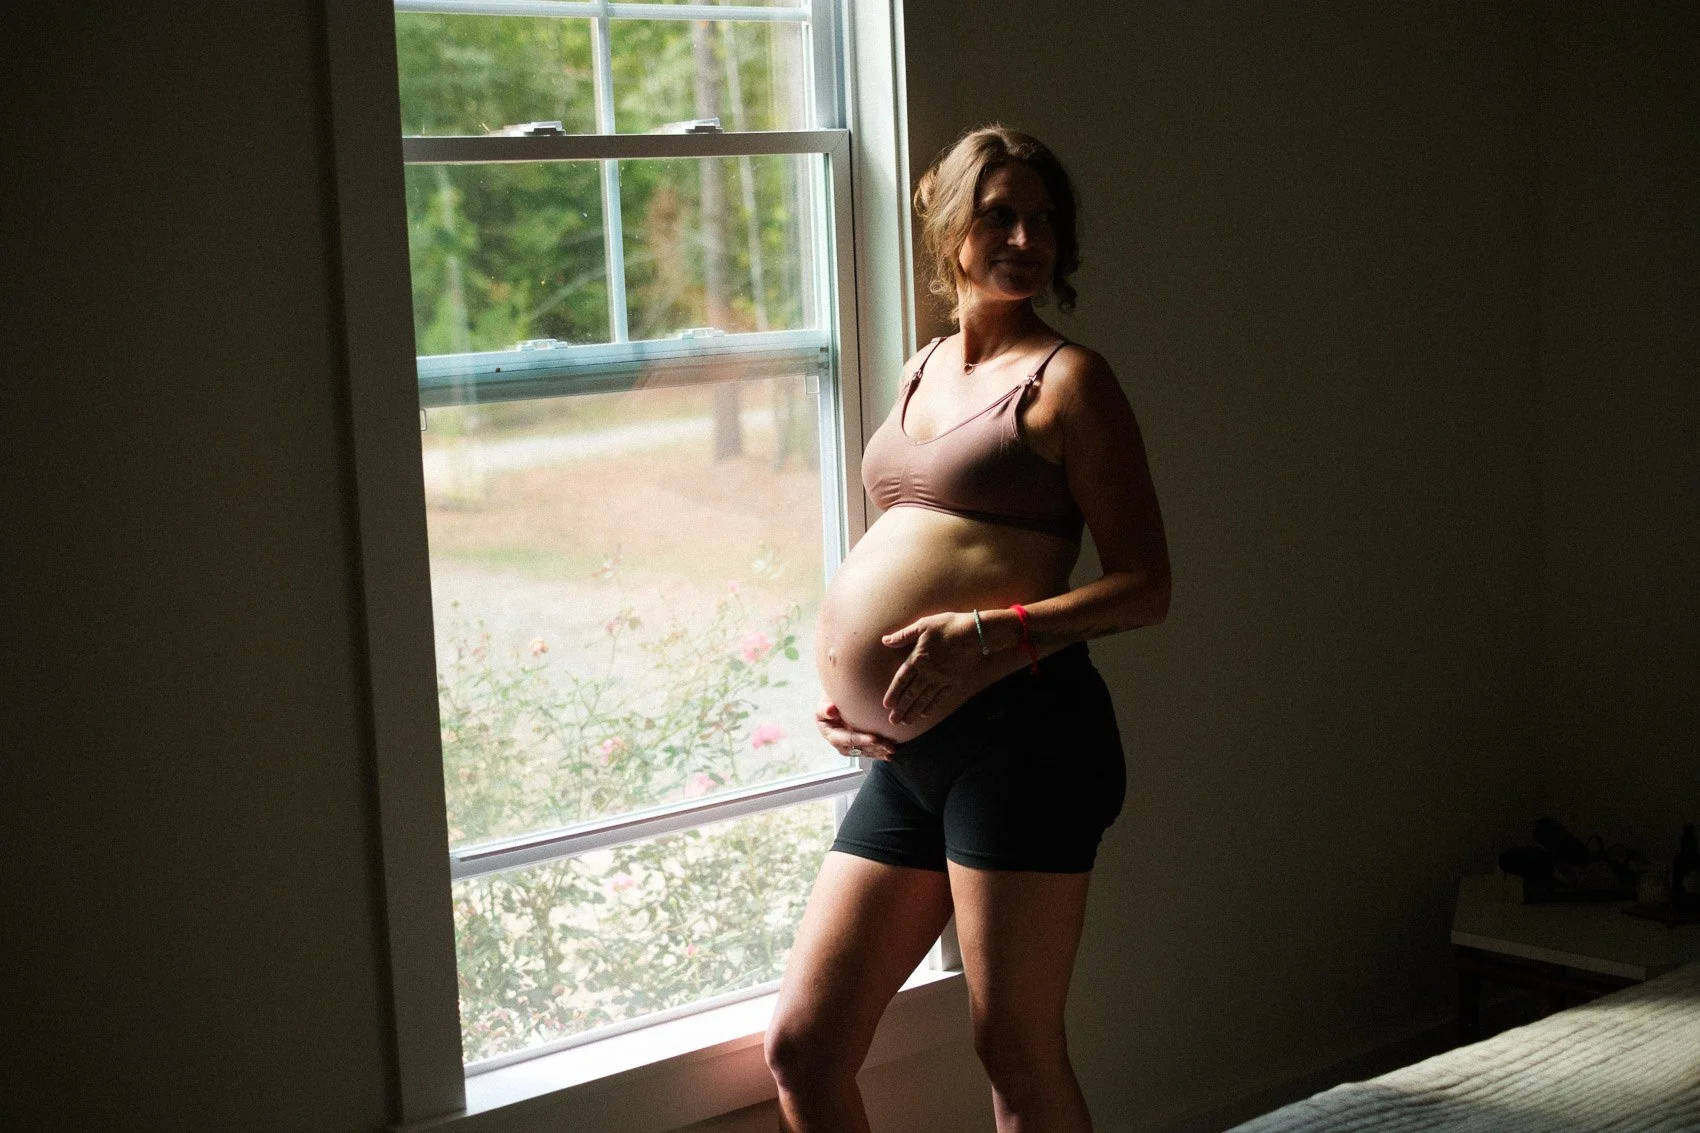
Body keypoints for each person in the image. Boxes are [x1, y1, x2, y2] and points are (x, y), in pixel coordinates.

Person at [764, 124, 1170, 1132]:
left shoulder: (1070, 381)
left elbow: (1144, 585)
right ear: (950, 227)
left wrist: (996, 634)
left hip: (1024, 736)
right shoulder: (920, 369)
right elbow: (907, 546)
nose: (1025, 237)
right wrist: (841, 684)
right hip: (906, 749)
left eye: (1043, 220)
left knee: (1014, 1050)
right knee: (804, 1049)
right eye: (999, 215)